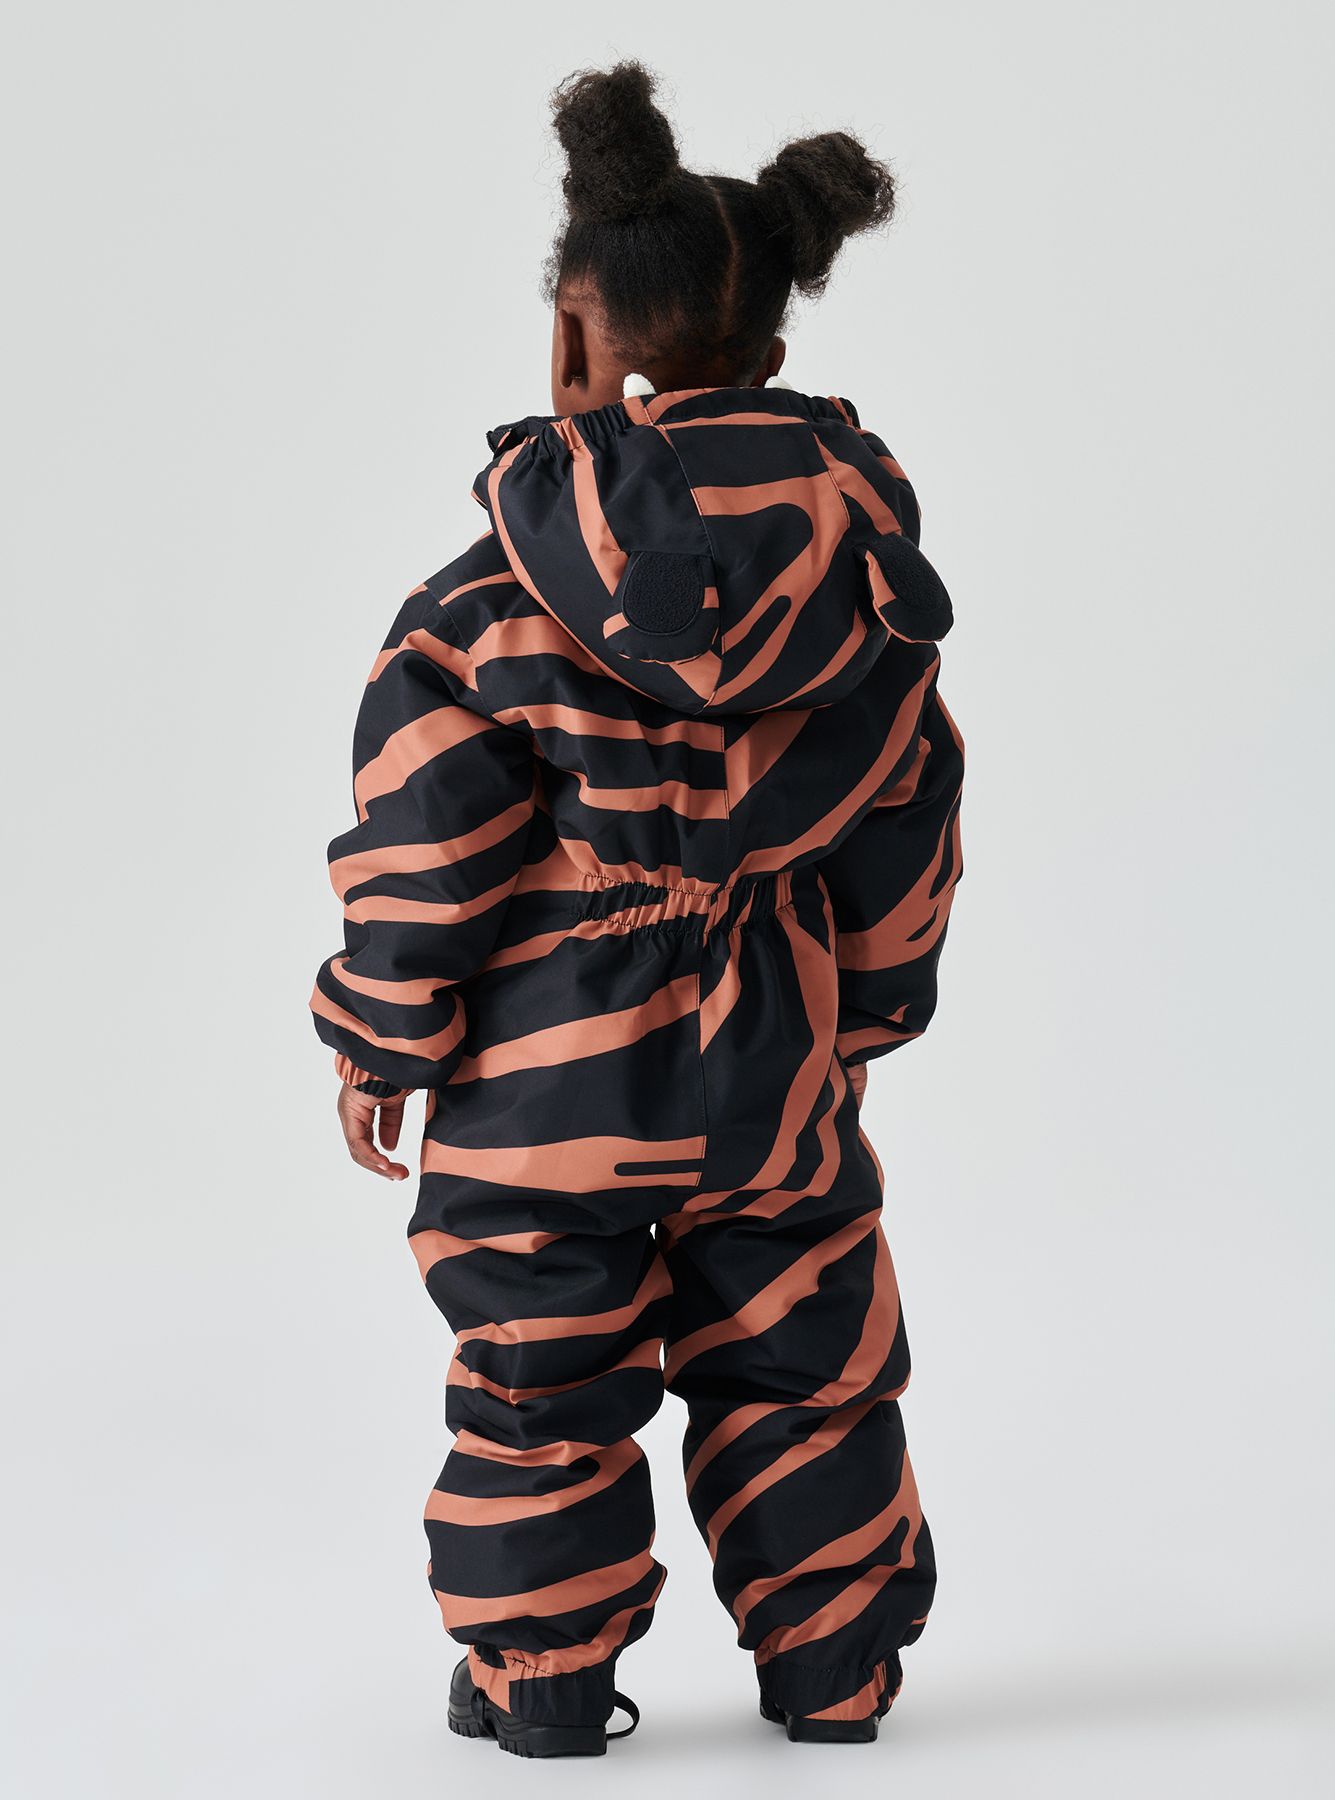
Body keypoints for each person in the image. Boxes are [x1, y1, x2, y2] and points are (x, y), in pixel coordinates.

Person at [310, 59, 964, 1759]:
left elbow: (427, 842)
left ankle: (538, 1684)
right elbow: (906, 821)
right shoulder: (871, 593)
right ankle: (834, 1676)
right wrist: (865, 1017)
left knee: (540, 1373)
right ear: (769, 355)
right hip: (774, 1053)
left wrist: (382, 1033)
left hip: (547, 1084)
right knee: (806, 1359)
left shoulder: (482, 599)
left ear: (570, 345)